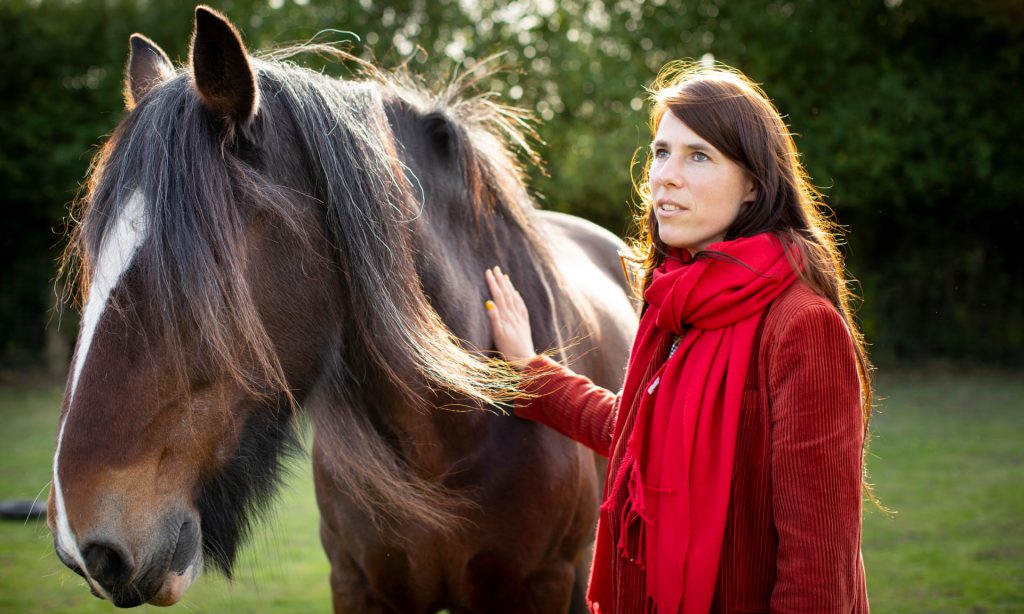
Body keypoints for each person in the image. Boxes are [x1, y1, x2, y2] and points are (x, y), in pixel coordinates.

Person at [483, 61, 873, 613]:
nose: (665, 174)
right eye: (662, 152)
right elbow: (639, 437)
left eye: (699, 156)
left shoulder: (802, 326)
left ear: (754, 186)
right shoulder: (672, 302)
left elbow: (818, 563)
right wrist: (530, 369)